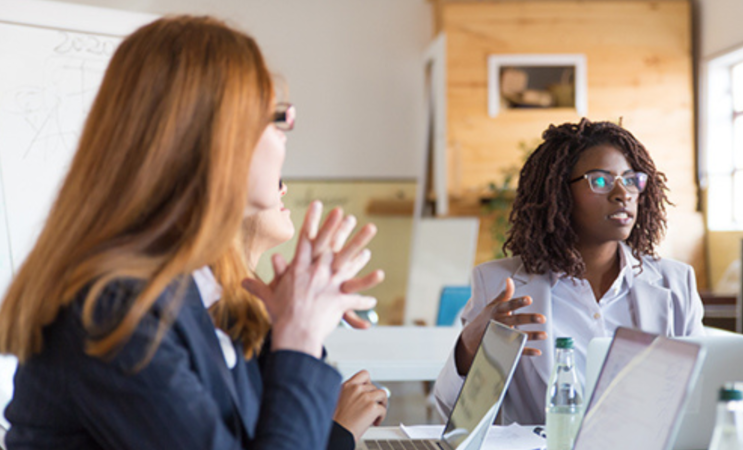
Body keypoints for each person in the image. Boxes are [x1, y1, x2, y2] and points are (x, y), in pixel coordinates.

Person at [0, 16, 379, 450]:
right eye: (278, 118)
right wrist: (300, 339)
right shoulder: (115, 308)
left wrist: (282, 326)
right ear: (217, 137)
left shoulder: (185, 290)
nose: (285, 136)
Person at [433, 119, 705, 425]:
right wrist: (469, 345)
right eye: (600, 181)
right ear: (559, 194)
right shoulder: (499, 284)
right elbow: (456, 419)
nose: (622, 193)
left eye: (631, 180)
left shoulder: (675, 283)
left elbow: (699, 400)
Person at [239, 183, 388, 450]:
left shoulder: (246, 304)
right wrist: (339, 430)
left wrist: (319, 405)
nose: (284, 188)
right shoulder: (209, 311)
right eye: (276, 178)